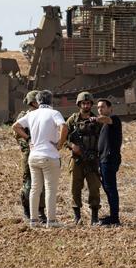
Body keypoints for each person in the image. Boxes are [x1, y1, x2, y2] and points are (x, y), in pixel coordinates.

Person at [13, 89, 65, 227]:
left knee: (35, 189)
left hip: (33, 156)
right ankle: (51, 221)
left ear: (38, 101)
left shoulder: (31, 114)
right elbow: (64, 126)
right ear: (51, 101)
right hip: (49, 156)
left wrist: (29, 138)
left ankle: (33, 220)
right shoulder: (54, 113)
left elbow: (15, 126)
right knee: (50, 189)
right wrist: (60, 144)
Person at [65, 91, 103, 226]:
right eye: (83, 103)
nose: (86, 105)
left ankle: (94, 217)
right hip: (77, 160)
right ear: (79, 104)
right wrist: (72, 145)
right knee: (75, 188)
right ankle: (77, 217)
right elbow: (63, 138)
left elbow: (103, 138)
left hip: (93, 160)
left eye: (88, 103)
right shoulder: (72, 120)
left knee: (94, 188)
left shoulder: (97, 120)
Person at [15, 91, 45, 222]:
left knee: (42, 182)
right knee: (28, 182)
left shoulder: (43, 115)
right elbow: (17, 135)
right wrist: (28, 142)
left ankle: (41, 211)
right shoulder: (24, 116)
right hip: (29, 153)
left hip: (42, 151)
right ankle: (27, 210)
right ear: (33, 102)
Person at [95, 97, 122, 226]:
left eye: (103, 107)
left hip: (109, 160)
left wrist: (95, 118)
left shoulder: (114, 119)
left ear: (110, 108)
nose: (100, 109)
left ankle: (115, 217)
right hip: (103, 160)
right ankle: (113, 215)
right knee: (107, 188)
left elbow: (105, 119)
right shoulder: (104, 125)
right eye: (98, 107)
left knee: (111, 188)